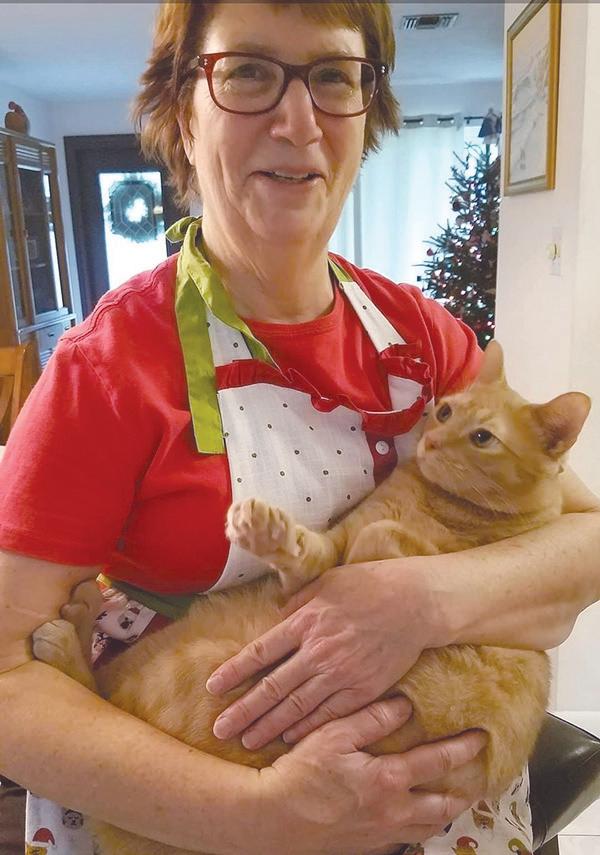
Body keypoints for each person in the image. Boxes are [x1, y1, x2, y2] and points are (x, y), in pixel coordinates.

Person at [0, 2, 598, 854]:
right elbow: (6, 675)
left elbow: (584, 538)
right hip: (184, 813)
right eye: (247, 71)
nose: (297, 120)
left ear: (368, 110)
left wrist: (419, 602)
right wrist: (262, 814)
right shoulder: (108, 365)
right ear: (182, 110)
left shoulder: (421, 336)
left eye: (332, 76)